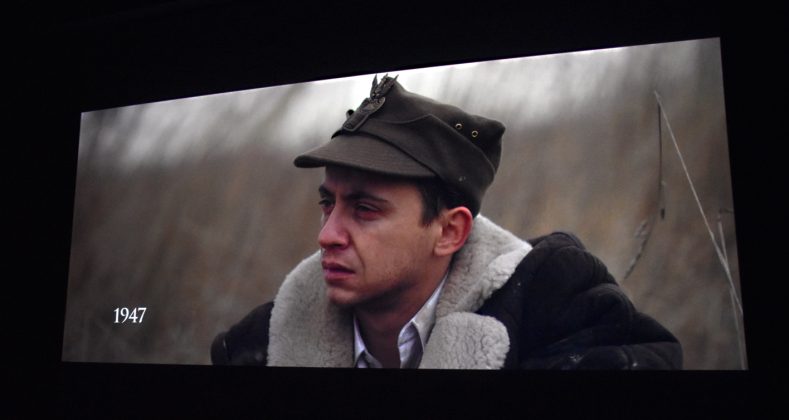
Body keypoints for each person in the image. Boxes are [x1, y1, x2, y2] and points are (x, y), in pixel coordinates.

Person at [210, 75, 682, 369]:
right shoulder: (263, 343)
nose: (327, 235)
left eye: (365, 209)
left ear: (450, 231)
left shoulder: (555, 302)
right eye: (327, 204)